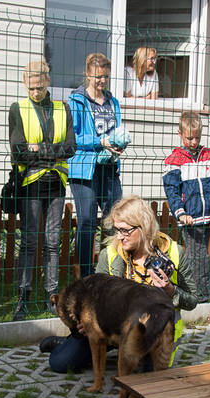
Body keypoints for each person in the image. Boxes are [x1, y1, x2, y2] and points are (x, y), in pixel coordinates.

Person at [41, 195, 199, 373]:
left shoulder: (173, 252)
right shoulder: (110, 254)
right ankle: (64, 343)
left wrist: (171, 291)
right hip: (110, 330)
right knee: (59, 363)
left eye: (125, 230)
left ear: (144, 227)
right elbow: (93, 298)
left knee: (146, 376)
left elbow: (193, 300)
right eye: (117, 230)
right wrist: (85, 323)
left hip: (151, 332)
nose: (119, 237)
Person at [9, 60, 76, 321]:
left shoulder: (63, 108)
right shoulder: (19, 109)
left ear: (48, 82)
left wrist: (40, 149)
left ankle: (51, 296)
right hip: (31, 183)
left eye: (39, 87)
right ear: (26, 85)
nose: (35, 92)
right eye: (31, 88)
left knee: (52, 242)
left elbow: (71, 147)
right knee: (28, 241)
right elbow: (18, 151)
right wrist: (49, 152)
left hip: (56, 183)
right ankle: (22, 297)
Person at [68, 53, 124, 278]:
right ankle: (86, 274)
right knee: (88, 221)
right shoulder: (77, 101)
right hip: (84, 168)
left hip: (109, 167)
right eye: (97, 76)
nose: (102, 81)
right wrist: (101, 142)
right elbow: (74, 138)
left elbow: (116, 130)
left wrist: (119, 143)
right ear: (88, 74)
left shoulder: (112, 101)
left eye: (105, 77)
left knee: (114, 220)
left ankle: (108, 270)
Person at [162, 111, 210, 303]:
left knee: (201, 256)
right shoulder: (174, 160)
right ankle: (200, 297)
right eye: (189, 138)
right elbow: (172, 191)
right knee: (199, 258)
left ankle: (193, 294)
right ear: (180, 133)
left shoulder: (209, 156)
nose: (193, 142)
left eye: (197, 137)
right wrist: (180, 214)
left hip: (208, 218)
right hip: (190, 219)